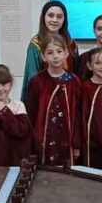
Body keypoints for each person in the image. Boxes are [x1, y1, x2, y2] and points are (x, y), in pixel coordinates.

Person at [25, 33, 83, 167]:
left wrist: (76, 143)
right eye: (50, 53)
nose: (55, 56)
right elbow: (31, 114)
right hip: (44, 140)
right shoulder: (37, 81)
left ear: (66, 53)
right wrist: (32, 142)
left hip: (67, 139)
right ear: (43, 56)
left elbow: (78, 114)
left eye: (59, 51)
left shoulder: (73, 81)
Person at [21, 0, 79, 102]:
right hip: (44, 98)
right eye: (50, 16)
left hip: (69, 96)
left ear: (64, 20)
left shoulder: (71, 44)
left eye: (59, 17)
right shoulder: (36, 45)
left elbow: (76, 73)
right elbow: (32, 77)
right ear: (44, 17)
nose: (55, 20)